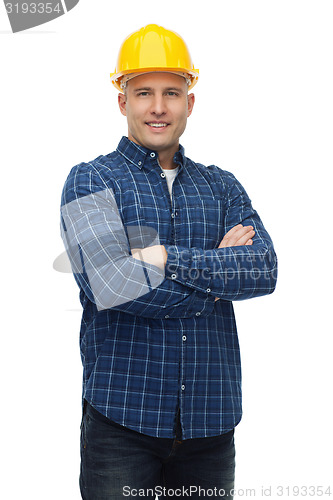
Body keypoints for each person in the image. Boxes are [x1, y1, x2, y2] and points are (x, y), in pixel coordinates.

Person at [60, 24, 277, 500]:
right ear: (123, 101)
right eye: (143, 93)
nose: (158, 107)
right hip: (121, 425)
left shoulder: (222, 186)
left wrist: (163, 258)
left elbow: (263, 269)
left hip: (211, 426)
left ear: (189, 102)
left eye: (171, 93)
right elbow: (111, 285)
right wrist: (216, 277)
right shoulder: (90, 182)